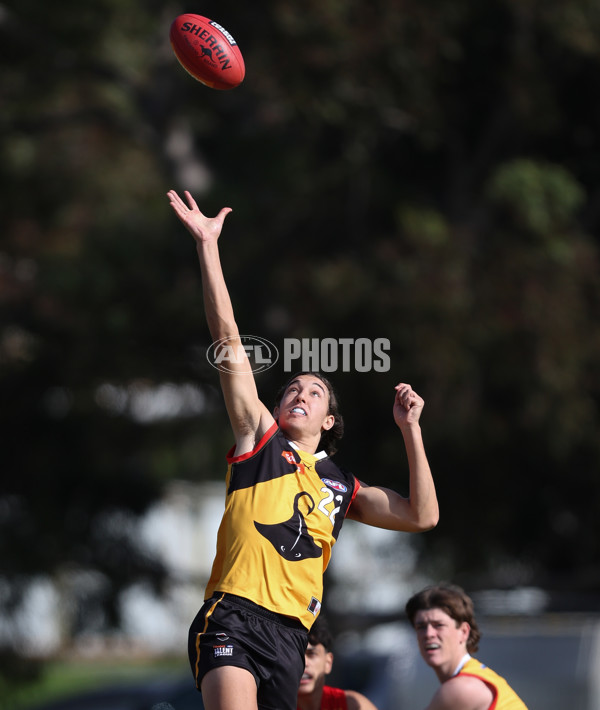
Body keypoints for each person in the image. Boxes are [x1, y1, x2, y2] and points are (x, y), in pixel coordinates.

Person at [167, 189, 439, 710]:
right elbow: (227, 337)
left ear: (329, 420)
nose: (299, 392)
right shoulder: (259, 441)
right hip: (233, 615)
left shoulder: (343, 487)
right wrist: (208, 246)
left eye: (314, 392)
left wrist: (412, 430)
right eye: (292, 386)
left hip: (292, 636)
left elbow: (423, 516)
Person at [405, 584, 529, 710]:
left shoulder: (463, 688)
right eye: (421, 627)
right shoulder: (474, 676)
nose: (428, 634)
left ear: (464, 632)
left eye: (439, 625)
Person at [297, 616, 378, 710]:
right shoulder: (277, 704)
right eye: (296, 656)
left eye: (311, 654)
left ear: (328, 662)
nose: (304, 663)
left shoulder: (351, 705)